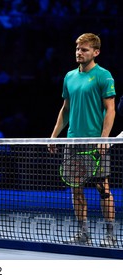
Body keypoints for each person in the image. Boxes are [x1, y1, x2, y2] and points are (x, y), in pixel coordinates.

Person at [48, 33, 117, 247]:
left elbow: (110, 109)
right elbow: (65, 109)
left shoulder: (103, 76)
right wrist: (53, 137)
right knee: (75, 188)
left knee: (103, 188)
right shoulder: (69, 77)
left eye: (84, 49)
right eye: (78, 48)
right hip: (72, 141)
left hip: (95, 141)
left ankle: (110, 235)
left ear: (95, 52)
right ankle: (83, 234)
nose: (79, 52)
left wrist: (104, 139)